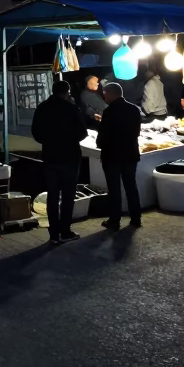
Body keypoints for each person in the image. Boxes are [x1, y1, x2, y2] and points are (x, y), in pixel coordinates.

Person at [31, 80, 88, 244]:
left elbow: (36, 133)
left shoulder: (42, 108)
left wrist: (49, 141)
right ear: (67, 92)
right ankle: (65, 231)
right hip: (70, 157)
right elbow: (82, 133)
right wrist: (69, 140)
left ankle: (54, 234)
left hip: (50, 157)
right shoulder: (72, 109)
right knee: (68, 196)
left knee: (52, 196)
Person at [96, 83, 142, 230]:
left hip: (112, 156)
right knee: (131, 186)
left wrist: (100, 143)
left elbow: (103, 135)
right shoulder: (134, 109)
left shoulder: (109, 111)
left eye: (105, 93)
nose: (104, 96)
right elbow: (137, 133)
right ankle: (136, 219)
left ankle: (114, 221)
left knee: (114, 189)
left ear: (111, 93)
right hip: (130, 154)